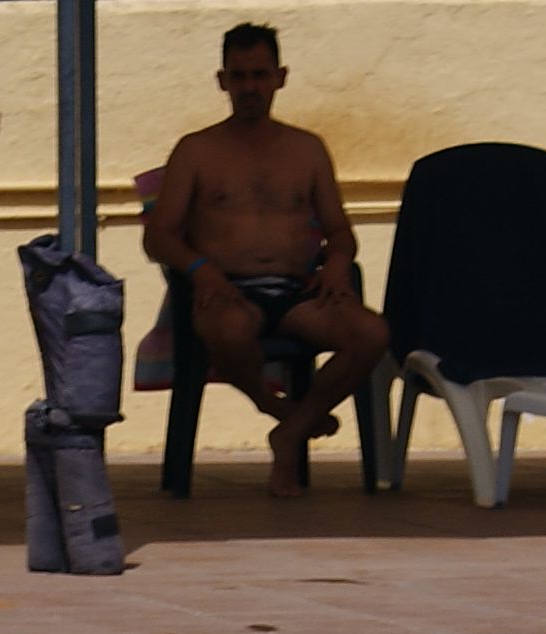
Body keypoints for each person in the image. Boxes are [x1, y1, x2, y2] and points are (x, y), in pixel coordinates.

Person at [138, 23, 391, 499]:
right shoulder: (196, 150)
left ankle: (289, 431)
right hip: (227, 290)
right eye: (239, 76)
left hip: (300, 292)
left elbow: (339, 231)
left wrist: (337, 263)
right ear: (222, 81)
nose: (250, 88)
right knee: (229, 332)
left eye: (259, 75)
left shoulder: (307, 149)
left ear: (280, 77)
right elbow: (159, 237)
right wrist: (201, 271)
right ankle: (281, 413)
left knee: (372, 333)